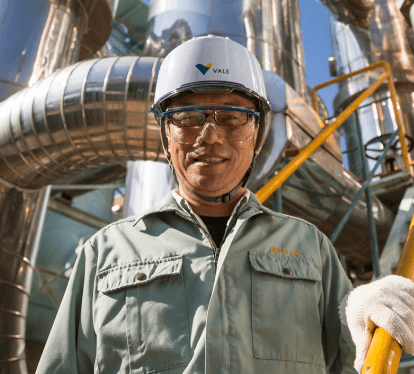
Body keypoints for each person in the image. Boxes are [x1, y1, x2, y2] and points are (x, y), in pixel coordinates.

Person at [36, 36, 414, 374]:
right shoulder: (105, 253)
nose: (210, 136)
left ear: (257, 134)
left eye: (232, 116)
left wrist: (362, 318)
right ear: (167, 136)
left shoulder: (310, 246)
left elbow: (353, 363)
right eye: (187, 117)